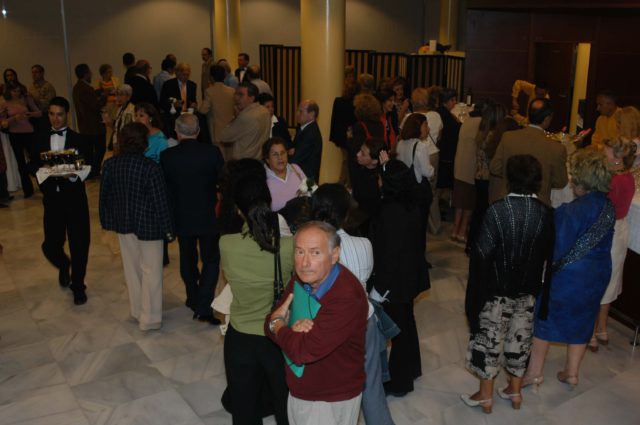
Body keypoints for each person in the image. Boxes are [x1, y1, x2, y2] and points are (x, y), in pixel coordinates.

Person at [461, 155, 554, 414]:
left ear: (509, 179)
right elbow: (548, 257)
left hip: (495, 293)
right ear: (537, 181)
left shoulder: (496, 210)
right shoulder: (546, 214)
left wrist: (475, 297)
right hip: (528, 292)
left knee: (489, 342)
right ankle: (515, 392)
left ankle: (485, 396)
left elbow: (481, 255)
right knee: (519, 342)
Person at [524, 148, 615, 390]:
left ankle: (534, 373)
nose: (572, 182)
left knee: (545, 317)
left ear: (582, 181)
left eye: (574, 178)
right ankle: (572, 373)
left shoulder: (571, 211)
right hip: (598, 274)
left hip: (569, 277)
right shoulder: (608, 207)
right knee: (584, 320)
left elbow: (556, 248)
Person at [266, 221, 368, 425]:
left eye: (315, 253)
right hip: (301, 388)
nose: (304, 262)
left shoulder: (347, 297)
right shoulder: (302, 279)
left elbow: (300, 350)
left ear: (334, 254)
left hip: (328, 399)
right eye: (299, 252)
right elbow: (269, 322)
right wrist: (285, 328)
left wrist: (280, 326)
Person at [311, 183, 395, 425]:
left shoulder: (309, 249)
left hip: (326, 326)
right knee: (372, 387)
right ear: (345, 213)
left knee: (330, 392)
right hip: (363, 322)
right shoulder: (364, 244)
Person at [220, 175, 292, 424]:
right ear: (269, 203)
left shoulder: (226, 244)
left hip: (240, 337)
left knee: (244, 410)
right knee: (286, 408)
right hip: (278, 336)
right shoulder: (288, 246)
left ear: (238, 209)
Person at [99, 122, 174, 331]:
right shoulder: (151, 167)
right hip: (150, 226)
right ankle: (149, 318)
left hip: (123, 224)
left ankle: (137, 310)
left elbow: (104, 197)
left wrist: (107, 222)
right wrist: (169, 230)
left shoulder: (110, 165)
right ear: (144, 143)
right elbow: (160, 202)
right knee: (152, 272)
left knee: (132, 270)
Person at [369, 159, 430, 397]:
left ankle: (400, 382)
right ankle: (412, 368)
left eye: (380, 178)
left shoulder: (389, 211)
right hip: (410, 275)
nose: (378, 181)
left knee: (398, 330)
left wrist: (380, 288)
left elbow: (388, 254)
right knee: (407, 322)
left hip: (396, 280)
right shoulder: (409, 203)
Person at [161, 113, 224, 324]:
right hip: (208, 216)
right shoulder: (212, 152)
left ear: (177, 132)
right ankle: (204, 304)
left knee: (187, 258)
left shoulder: (167, 156)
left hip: (181, 216)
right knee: (211, 259)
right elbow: (223, 181)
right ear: (197, 131)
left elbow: (165, 190)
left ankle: (192, 296)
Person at [33, 96, 91, 306]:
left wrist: (73, 175)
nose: (55, 119)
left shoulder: (79, 139)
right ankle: (64, 264)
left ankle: (78, 285)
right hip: (52, 199)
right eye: (51, 114)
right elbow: (32, 165)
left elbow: (88, 165)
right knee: (50, 245)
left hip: (75, 199)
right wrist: (44, 173)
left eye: (59, 114)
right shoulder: (39, 139)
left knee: (79, 244)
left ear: (67, 115)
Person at [589, 137, 636, 351]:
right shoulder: (628, 177)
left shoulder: (613, 181)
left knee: (598, 280)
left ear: (617, 158)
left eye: (606, 152)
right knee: (611, 279)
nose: (603, 154)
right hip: (620, 230)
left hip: (607, 231)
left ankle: (590, 333)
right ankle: (602, 329)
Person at [489, 98, 567, 206]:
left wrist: (514, 177)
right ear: (547, 118)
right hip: (538, 205)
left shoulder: (508, 137)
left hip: (508, 202)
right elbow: (560, 182)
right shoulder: (557, 148)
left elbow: (495, 167)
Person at [395, 113, 435, 251]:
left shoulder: (400, 143)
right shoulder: (420, 146)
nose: (428, 129)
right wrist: (433, 169)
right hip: (418, 191)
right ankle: (419, 256)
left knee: (408, 226)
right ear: (417, 127)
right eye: (425, 125)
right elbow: (427, 171)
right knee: (420, 226)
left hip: (404, 190)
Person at [450, 100, 485, 243]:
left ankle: (455, 230)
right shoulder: (481, 124)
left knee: (459, 201)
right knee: (470, 202)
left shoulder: (467, 121)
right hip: (471, 166)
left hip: (459, 164)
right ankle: (463, 231)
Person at [0, 81, 41, 197]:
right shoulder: (4, 103)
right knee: (21, 162)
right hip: (15, 135)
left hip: (29, 133)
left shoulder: (25, 99)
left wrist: (29, 114)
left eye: (18, 90)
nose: (17, 93)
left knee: (35, 160)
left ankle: (43, 185)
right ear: (9, 91)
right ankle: (28, 190)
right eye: (14, 91)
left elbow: (39, 113)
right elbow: (3, 123)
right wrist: (14, 119)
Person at [219, 82, 271, 160]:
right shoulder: (265, 111)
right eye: (236, 94)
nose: (236, 98)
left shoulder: (245, 116)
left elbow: (224, 136)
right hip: (260, 160)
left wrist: (236, 118)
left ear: (251, 98)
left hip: (244, 162)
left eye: (241, 95)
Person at [72, 63, 105, 178]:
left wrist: (96, 93)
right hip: (94, 126)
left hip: (84, 125)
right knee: (100, 149)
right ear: (86, 74)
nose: (91, 74)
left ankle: (89, 171)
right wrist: (104, 97)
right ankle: (94, 171)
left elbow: (86, 102)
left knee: (88, 151)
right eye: (90, 72)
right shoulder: (87, 88)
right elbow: (96, 106)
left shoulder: (76, 87)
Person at [263, 137, 306, 211]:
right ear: (267, 159)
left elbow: (311, 191)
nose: (280, 157)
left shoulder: (295, 168)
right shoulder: (263, 179)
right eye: (275, 154)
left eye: (282, 153)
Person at [199, 64, 235, 151]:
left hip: (216, 131)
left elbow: (203, 110)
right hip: (231, 130)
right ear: (224, 76)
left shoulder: (209, 91)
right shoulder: (232, 91)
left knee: (219, 155)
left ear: (211, 77)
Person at [435, 88, 462, 192]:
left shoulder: (440, 111)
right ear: (445, 101)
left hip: (443, 150)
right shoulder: (445, 115)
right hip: (446, 152)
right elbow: (455, 130)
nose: (455, 102)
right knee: (444, 183)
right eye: (452, 100)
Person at [290, 100, 322, 181]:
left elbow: (295, 158)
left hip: (307, 179)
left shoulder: (310, 133)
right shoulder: (304, 128)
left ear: (311, 115)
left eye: (300, 111)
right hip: (302, 176)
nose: (297, 114)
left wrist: (288, 153)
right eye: (297, 110)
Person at [102, 84, 135, 153]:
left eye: (121, 95)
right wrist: (110, 122)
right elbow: (117, 128)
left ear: (128, 97)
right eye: (117, 95)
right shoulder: (120, 109)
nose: (118, 97)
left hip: (127, 144)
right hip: (118, 143)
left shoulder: (132, 109)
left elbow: (130, 129)